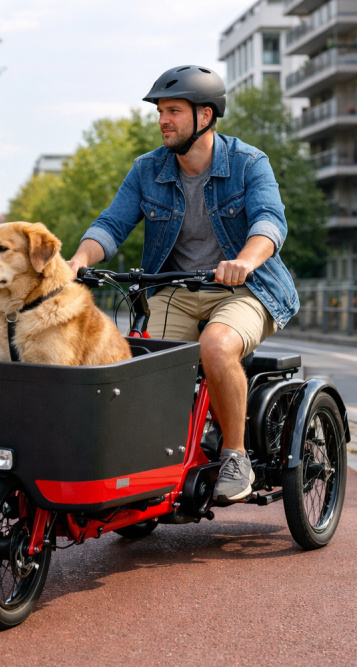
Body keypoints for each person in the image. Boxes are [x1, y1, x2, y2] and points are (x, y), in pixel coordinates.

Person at [65, 65, 299, 504]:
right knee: (133, 363)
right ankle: (147, 459)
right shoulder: (147, 169)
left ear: (205, 116)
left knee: (216, 347)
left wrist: (245, 261)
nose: (162, 120)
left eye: (173, 110)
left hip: (248, 290)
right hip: (177, 288)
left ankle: (235, 455)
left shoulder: (249, 163)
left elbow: (270, 222)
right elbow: (111, 225)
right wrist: (79, 260)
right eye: (160, 111)